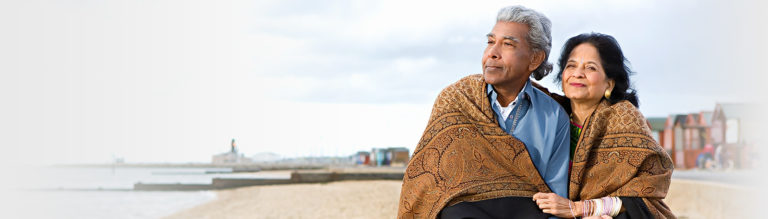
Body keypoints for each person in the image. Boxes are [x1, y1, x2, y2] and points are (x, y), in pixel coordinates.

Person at [397, 5, 570, 219]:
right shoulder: (457, 100)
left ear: (535, 59)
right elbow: (427, 182)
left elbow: (555, 200)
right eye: (490, 42)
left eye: (507, 44)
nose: (492, 53)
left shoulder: (554, 117)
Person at [532, 33, 675, 218]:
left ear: (609, 84)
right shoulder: (552, 114)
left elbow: (652, 181)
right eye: (571, 66)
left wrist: (581, 208)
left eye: (590, 67)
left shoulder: (624, 118)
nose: (577, 73)